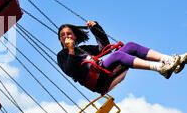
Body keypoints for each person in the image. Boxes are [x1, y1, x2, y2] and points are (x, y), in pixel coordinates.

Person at [57, 21, 187, 90]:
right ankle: (160, 67)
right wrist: (70, 51)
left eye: (69, 33)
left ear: (74, 36)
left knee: (130, 46)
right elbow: (70, 70)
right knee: (117, 55)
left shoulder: (83, 49)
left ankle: (171, 60)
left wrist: (96, 29)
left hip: (102, 71)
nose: (66, 36)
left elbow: (103, 48)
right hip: (95, 80)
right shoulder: (62, 55)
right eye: (62, 35)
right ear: (60, 39)